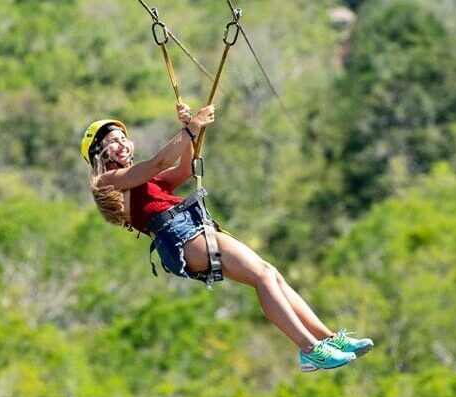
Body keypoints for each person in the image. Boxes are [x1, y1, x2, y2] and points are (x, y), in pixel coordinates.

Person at [81, 102, 373, 372]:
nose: (121, 144)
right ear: (98, 154)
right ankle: (309, 348)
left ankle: (327, 339)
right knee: (262, 276)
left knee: (270, 274)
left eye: (122, 138)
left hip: (192, 228)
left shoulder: (144, 181)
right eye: (111, 142)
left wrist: (190, 134)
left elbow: (183, 169)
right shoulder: (108, 182)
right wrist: (190, 128)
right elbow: (156, 163)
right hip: (181, 235)